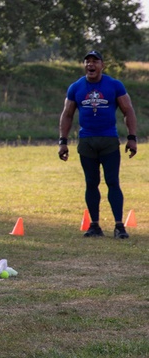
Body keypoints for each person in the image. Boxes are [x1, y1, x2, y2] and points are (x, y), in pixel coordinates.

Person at [58, 50, 138, 239]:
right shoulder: (76, 87)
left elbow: (128, 111)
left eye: (95, 61)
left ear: (102, 65)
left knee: (112, 182)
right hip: (87, 142)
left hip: (109, 141)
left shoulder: (114, 85)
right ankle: (94, 225)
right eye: (87, 61)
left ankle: (119, 226)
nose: (90, 65)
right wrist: (63, 141)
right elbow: (67, 114)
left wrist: (132, 137)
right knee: (91, 183)